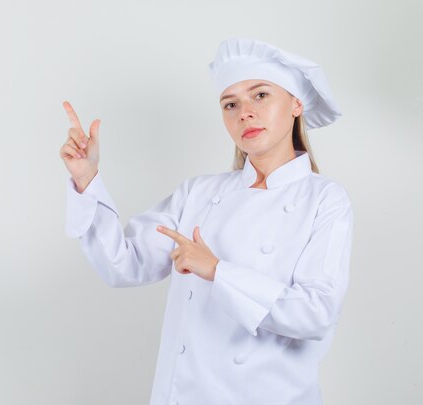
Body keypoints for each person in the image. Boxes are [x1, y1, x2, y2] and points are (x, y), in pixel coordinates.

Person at [61, 38, 354, 405]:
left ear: (296, 104)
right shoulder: (197, 194)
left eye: (260, 95)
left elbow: (315, 314)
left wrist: (217, 271)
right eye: (230, 104)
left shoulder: (324, 199)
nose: (244, 112)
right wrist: (87, 180)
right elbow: (125, 265)